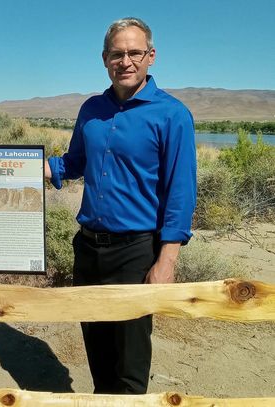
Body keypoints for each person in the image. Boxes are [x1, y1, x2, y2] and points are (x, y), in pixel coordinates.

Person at [44, 17, 196, 394]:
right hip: (88, 247)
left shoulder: (172, 115)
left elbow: (180, 192)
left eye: (134, 52)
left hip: (136, 250)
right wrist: (36, 167)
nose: (125, 61)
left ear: (151, 56)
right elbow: (75, 162)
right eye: (117, 53)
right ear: (104, 58)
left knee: (129, 360)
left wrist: (167, 261)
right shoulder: (91, 109)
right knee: (97, 348)